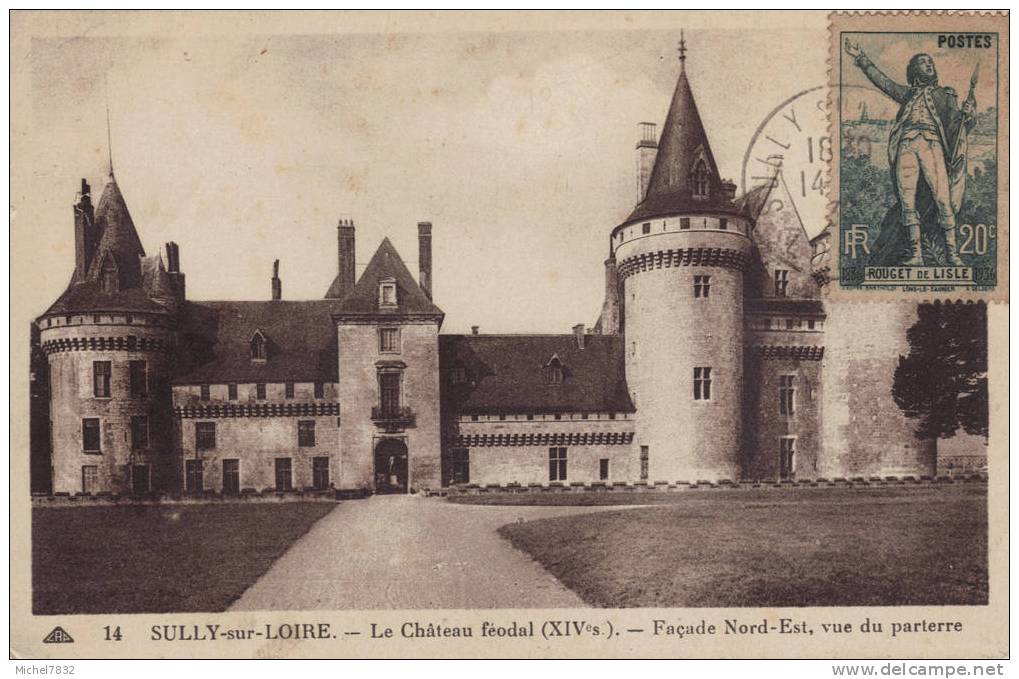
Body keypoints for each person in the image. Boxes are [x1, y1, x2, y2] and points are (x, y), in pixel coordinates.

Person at [845, 39, 975, 266]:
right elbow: (882, 82)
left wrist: (969, 115)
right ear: (915, 70)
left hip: (931, 144)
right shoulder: (907, 94)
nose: (928, 65)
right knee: (907, 200)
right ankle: (916, 255)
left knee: (943, 199)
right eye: (923, 62)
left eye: (930, 62)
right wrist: (862, 59)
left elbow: (958, 127)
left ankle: (953, 254)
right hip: (906, 146)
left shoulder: (946, 95)